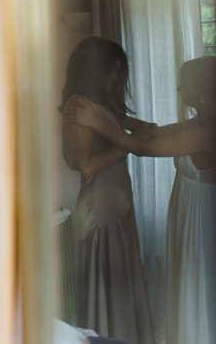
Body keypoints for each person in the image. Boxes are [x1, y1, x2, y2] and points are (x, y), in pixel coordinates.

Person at [64, 55, 216, 344]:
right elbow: (149, 134)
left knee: (199, 289)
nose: (179, 88)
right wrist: (117, 118)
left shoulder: (207, 130)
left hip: (202, 220)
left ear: (203, 90)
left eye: (187, 82)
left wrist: (96, 121)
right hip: (188, 214)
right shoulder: (198, 122)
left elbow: (143, 148)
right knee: (189, 287)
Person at [60, 37, 156, 344]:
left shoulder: (105, 106)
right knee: (109, 293)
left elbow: (145, 130)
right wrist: (127, 145)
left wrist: (128, 139)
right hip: (100, 211)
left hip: (118, 208)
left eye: (118, 70)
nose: (115, 77)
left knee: (123, 293)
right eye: (111, 69)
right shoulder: (78, 106)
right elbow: (86, 166)